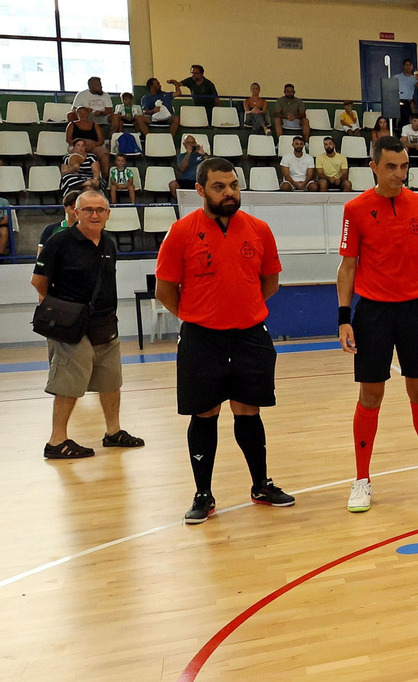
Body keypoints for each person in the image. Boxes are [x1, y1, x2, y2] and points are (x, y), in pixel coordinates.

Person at [153, 158, 294, 522]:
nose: (229, 192)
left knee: (249, 409)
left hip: (250, 336)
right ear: (200, 190)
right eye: (220, 187)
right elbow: (165, 290)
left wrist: (241, 310)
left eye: (233, 185)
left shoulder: (260, 229)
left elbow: (270, 283)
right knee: (205, 412)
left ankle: (261, 483)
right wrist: (199, 316)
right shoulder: (181, 232)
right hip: (202, 338)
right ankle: (203, 494)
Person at [337, 136, 418, 512]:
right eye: (391, 167)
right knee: (370, 395)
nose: (399, 174)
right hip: (372, 313)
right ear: (374, 167)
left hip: (415, 311)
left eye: (404, 166)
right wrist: (344, 317)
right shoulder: (355, 208)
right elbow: (347, 267)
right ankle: (361, 479)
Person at [32, 188, 143, 460]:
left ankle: (113, 432)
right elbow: (39, 282)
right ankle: (56, 441)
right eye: (88, 210)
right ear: (76, 211)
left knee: (110, 381)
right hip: (70, 328)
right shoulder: (59, 242)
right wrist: (63, 312)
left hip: (105, 324)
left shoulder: (108, 244)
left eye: (100, 210)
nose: (95, 214)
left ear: (107, 214)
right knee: (68, 384)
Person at [65, 110, 107, 174]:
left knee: (104, 154)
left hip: (93, 145)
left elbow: (101, 140)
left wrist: (93, 145)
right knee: (74, 152)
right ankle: (74, 174)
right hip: (76, 145)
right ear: (77, 115)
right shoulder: (72, 124)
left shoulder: (94, 125)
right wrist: (79, 145)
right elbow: (68, 139)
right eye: (81, 113)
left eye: (85, 113)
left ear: (88, 114)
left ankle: (105, 178)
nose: (83, 115)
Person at [397, 59, 418, 123]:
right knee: (396, 122)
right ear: (403, 66)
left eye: (410, 65)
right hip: (398, 101)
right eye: (406, 65)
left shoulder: (414, 78)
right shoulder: (397, 77)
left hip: (408, 103)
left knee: (407, 121)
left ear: (412, 67)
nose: (408, 67)